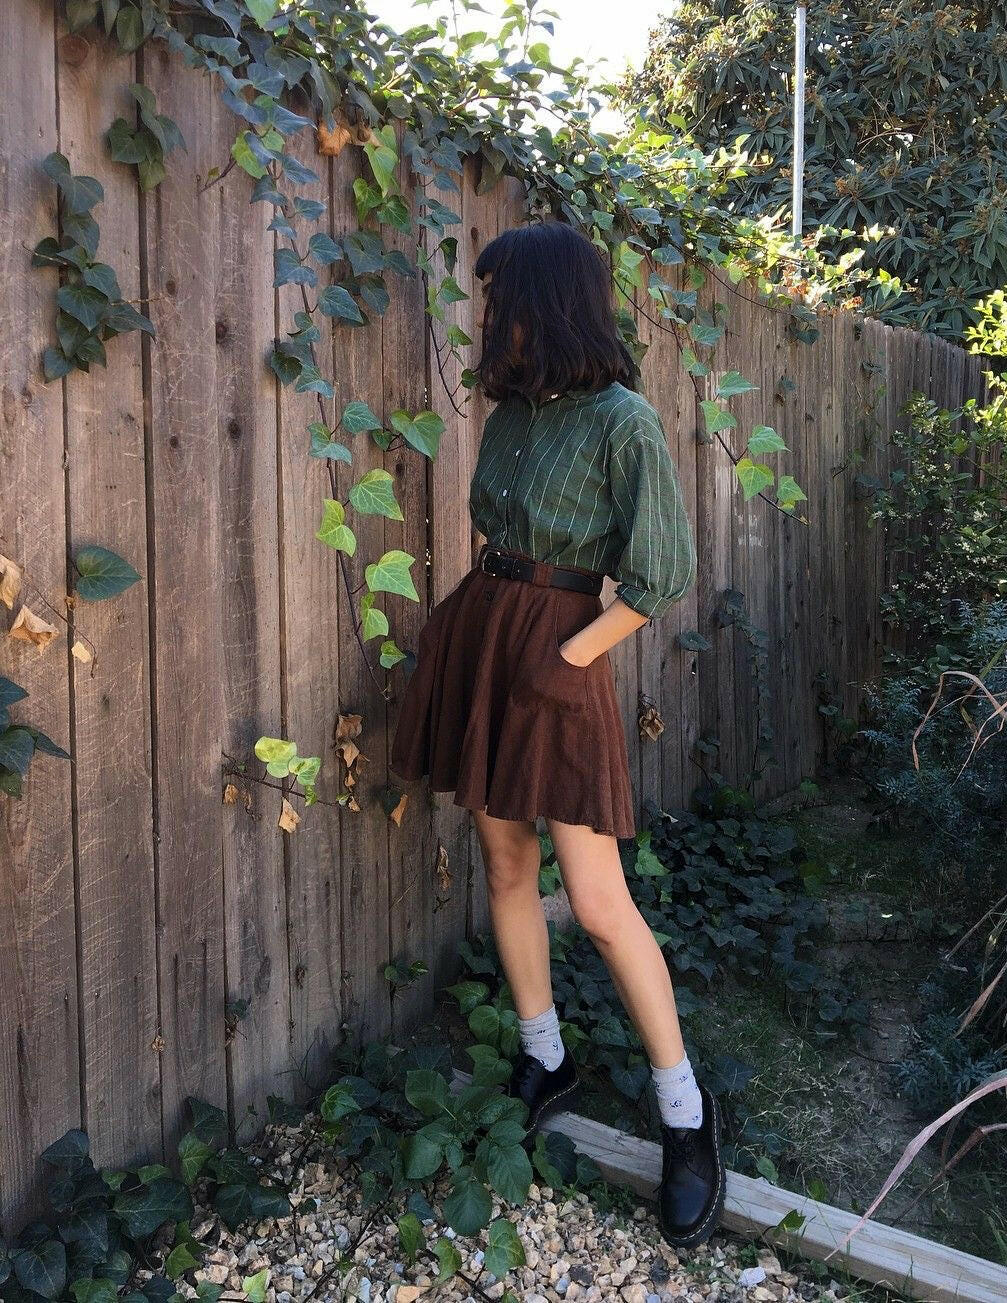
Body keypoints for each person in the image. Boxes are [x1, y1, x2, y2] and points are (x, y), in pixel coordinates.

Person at [389, 218, 725, 1249]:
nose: (490, 320)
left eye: (501, 301)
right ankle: (546, 1055)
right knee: (500, 855)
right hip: (489, 634)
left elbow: (660, 577)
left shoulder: (625, 422)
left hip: (561, 650)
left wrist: (569, 657)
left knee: (596, 894)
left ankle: (687, 1115)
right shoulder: (510, 417)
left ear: (550, 303)